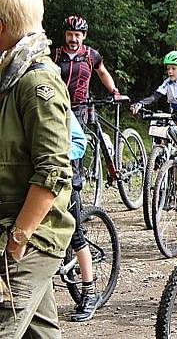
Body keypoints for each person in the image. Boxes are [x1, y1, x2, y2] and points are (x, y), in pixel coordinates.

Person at [0, 0, 74, 338]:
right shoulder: (8, 75)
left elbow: (53, 172)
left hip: (31, 237)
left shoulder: (35, 83)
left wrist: (16, 243)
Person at [54, 15, 123, 124]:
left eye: (77, 35)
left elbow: (102, 73)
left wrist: (114, 91)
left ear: (84, 35)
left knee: (77, 140)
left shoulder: (91, 55)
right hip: (57, 106)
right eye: (69, 35)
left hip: (80, 108)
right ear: (65, 35)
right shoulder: (55, 55)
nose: (73, 39)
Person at [65, 109, 99, 322]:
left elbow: (79, 142)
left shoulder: (60, 107)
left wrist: (55, 155)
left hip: (67, 180)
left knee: (76, 235)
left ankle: (90, 292)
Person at [130, 51, 177, 143]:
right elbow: (154, 97)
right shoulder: (167, 82)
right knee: (162, 127)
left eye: (173, 68)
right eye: (168, 69)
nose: (170, 72)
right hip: (175, 111)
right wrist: (140, 104)